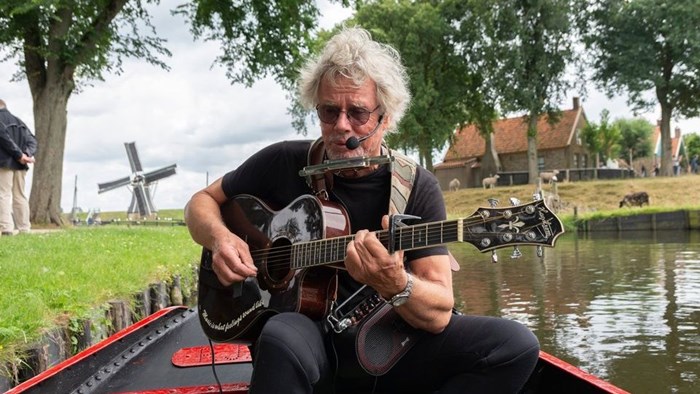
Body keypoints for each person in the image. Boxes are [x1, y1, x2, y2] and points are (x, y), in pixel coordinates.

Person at [185, 27, 539, 393]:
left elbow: (439, 310)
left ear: (385, 117)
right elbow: (202, 201)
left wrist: (395, 284)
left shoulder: (417, 187)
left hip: (385, 342)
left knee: (514, 346)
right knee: (278, 337)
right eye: (328, 111)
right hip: (306, 342)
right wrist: (221, 238)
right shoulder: (282, 161)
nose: (341, 126)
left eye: (357, 113)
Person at [0, 99, 37, 236]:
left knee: (3, 194)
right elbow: (32, 140)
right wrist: (26, 154)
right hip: (20, 165)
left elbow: (4, 139)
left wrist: (19, 155)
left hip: (4, 163)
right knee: (20, 195)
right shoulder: (19, 121)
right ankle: (24, 228)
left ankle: (6, 228)